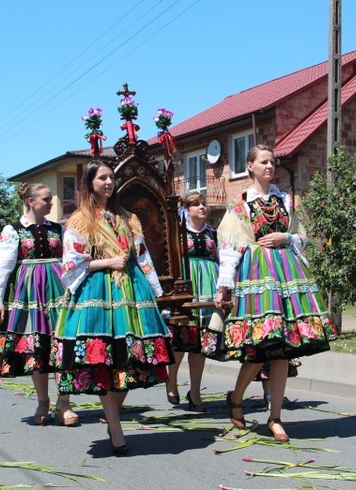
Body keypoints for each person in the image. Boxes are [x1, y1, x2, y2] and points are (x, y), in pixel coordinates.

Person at [203, 144, 337, 442]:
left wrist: (285, 237)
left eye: (272, 162)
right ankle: (236, 398)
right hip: (255, 279)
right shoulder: (239, 204)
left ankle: (274, 417)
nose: (270, 166)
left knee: (283, 351)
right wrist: (224, 287)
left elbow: (302, 236)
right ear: (249, 166)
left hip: (287, 278)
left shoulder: (286, 200)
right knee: (258, 348)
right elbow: (228, 248)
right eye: (263, 162)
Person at [53, 159, 174, 456]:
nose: (108, 182)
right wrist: (108, 262)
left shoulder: (127, 217)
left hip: (132, 293)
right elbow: (70, 264)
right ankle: (117, 429)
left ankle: (112, 416)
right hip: (97, 293)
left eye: (111, 178)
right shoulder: (80, 221)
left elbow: (143, 257)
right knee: (106, 359)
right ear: (90, 183)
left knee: (131, 358)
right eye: (102, 178)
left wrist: (156, 294)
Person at [0, 183, 77, 426]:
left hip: (59, 291)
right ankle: (43, 401)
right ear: (30, 201)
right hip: (29, 295)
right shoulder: (13, 230)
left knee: (64, 344)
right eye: (46, 199)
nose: (51, 203)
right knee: (37, 347)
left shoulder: (60, 229)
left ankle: (64, 403)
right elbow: (0, 268)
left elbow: (71, 260)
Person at [165, 192, 217, 412]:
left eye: (204, 204)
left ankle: (195, 392)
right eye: (196, 204)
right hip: (186, 286)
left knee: (200, 345)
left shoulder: (214, 233)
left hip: (208, 287)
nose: (201, 207)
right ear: (186, 209)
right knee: (180, 340)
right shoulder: (176, 233)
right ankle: (172, 380)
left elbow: (220, 260)